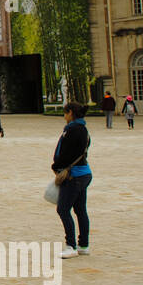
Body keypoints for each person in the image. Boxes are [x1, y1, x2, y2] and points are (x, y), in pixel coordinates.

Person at [51, 101, 92, 260]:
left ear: (70, 113)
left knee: (63, 209)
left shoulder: (71, 130)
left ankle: (71, 246)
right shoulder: (84, 129)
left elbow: (65, 154)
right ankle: (84, 245)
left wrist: (56, 166)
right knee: (80, 210)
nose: (64, 116)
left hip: (73, 175)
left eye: (65, 113)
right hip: (84, 173)